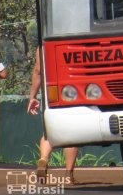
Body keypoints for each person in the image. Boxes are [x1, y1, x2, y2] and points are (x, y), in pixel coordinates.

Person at [28, 47, 79, 184]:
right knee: (71, 133)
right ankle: (69, 175)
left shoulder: (43, 45)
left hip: (50, 91)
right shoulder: (73, 42)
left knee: (48, 132)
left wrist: (32, 96)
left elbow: (38, 70)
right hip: (72, 89)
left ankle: (43, 160)